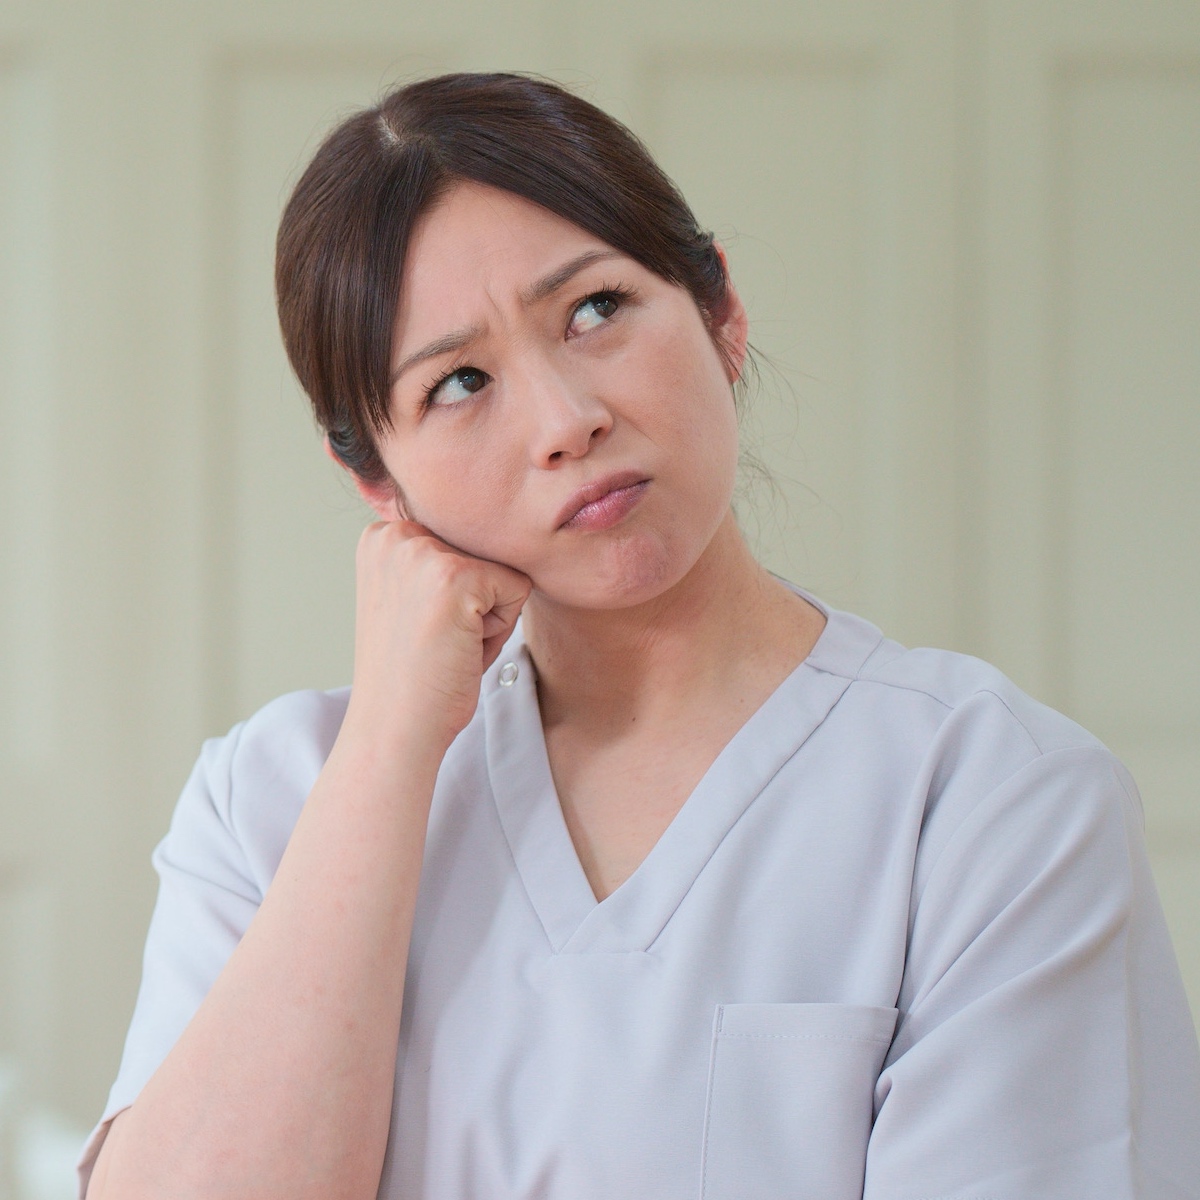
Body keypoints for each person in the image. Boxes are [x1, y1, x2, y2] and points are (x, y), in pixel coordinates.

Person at [80, 72, 1200, 1200]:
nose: (567, 422)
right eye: (459, 382)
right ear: (377, 480)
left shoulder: (992, 799)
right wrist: (386, 751)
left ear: (721, 313)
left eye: (596, 311)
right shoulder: (273, 803)